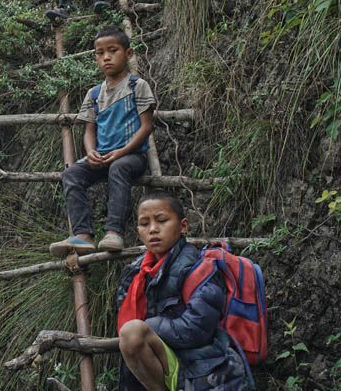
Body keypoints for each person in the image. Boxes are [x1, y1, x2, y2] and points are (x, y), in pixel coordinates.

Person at [115, 192, 252, 391]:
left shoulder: (200, 269)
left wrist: (147, 327)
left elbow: (198, 329)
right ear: (138, 230)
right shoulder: (135, 273)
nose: (153, 229)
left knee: (133, 332)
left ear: (183, 226)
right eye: (145, 224)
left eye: (162, 220)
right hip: (162, 368)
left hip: (200, 371)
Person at [49, 26, 155, 257]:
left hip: (132, 156)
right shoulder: (94, 94)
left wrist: (122, 151)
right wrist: (91, 152)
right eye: (100, 53)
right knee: (71, 174)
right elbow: (89, 130)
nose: (106, 57)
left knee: (118, 167)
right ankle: (83, 236)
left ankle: (113, 233)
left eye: (113, 50)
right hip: (102, 156)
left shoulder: (138, 86)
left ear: (128, 54)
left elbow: (147, 126)